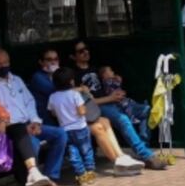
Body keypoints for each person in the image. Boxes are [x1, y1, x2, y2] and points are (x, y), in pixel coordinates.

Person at [29, 47, 144, 176]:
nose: (53, 62)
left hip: (71, 117)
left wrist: (81, 90)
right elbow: (60, 91)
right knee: (97, 128)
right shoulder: (39, 78)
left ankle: (121, 156)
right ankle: (117, 162)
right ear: (41, 62)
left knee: (104, 121)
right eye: (49, 60)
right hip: (54, 122)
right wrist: (81, 89)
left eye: (55, 59)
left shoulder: (59, 74)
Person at [69, 40, 167, 170]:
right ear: (73, 56)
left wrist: (115, 81)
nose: (85, 52)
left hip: (115, 101)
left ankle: (143, 147)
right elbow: (83, 102)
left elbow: (108, 83)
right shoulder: (73, 74)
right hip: (98, 107)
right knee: (123, 120)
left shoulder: (95, 68)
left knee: (145, 111)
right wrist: (109, 98)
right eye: (81, 51)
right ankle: (146, 155)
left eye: (86, 49)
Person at [0, 48, 68, 186]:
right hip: (15, 129)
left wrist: (36, 121)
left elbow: (29, 102)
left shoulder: (17, 80)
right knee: (30, 145)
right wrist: (25, 127)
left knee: (60, 134)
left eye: (6, 63)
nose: (3, 66)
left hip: (30, 124)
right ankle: (35, 185)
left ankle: (49, 177)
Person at [48, 67, 96, 186]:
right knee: (87, 151)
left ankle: (81, 175)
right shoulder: (75, 94)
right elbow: (81, 112)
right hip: (80, 127)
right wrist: (84, 107)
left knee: (73, 154)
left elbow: (53, 113)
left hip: (65, 130)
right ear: (71, 81)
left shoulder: (53, 97)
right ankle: (90, 173)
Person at [99, 65, 151, 142]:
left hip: (127, 103)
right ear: (104, 74)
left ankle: (143, 135)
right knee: (146, 109)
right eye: (110, 71)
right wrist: (119, 80)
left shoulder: (110, 81)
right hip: (124, 105)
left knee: (144, 115)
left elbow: (117, 88)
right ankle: (143, 134)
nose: (113, 72)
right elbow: (115, 85)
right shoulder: (107, 81)